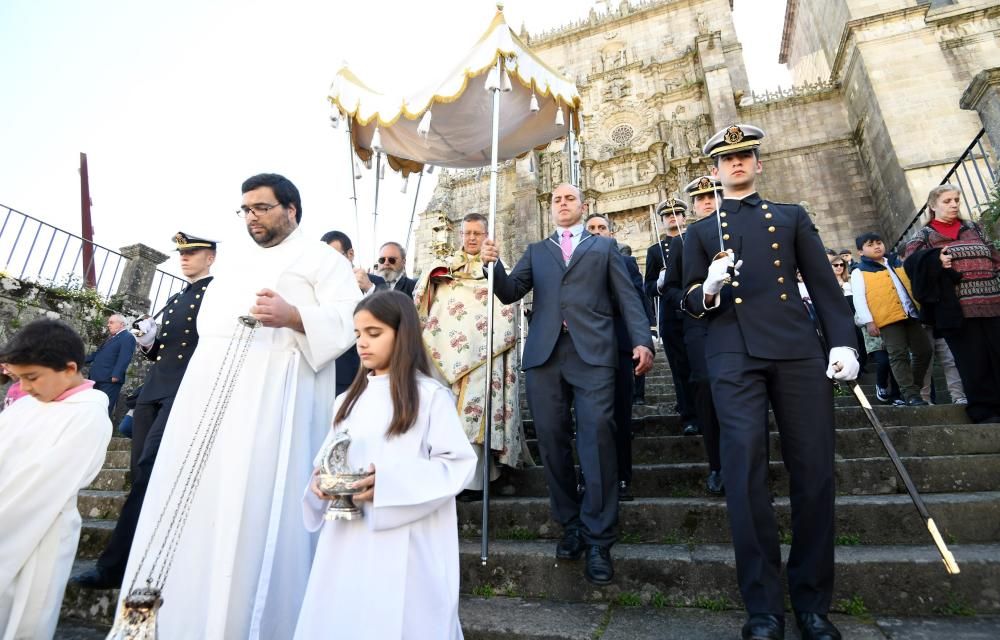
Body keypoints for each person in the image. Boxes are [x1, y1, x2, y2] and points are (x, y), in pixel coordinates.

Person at [115, 173, 360, 638]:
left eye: (262, 207)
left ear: (291, 209)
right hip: (210, 393)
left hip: (278, 390)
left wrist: (294, 316)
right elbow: (210, 329)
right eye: (246, 209)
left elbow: (350, 317)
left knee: (257, 500)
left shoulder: (323, 260)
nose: (252, 217)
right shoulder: (232, 263)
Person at [682, 124, 858, 640]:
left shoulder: (790, 217)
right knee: (744, 473)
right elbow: (686, 301)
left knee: (815, 472)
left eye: (745, 156)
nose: (736, 164)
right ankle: (762, 607)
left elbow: (825, 287)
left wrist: (843, 341)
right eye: (727, 159)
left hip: (798, 351)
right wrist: (709, 289)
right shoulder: (699, 232)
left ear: (758, 163)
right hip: (733, 353)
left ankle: (812, 603)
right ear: (714, 171)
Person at [480, 183, 654, 586]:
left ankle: (599, 538)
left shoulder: (603, 247)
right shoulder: (537, 251)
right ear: (551, 207)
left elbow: (628, 298)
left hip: (594, 354)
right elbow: (509, 292)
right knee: (553, 442)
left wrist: (643, 339)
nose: (562, 203)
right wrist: (493, 264)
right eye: (556, 198)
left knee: (596, 439)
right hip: (545, 357)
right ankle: (570, 524)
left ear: (583, 205)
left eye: (569, 198)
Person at [293, 291, 475, 639]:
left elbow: (457, 464)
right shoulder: (346, 401)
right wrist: (319, 484)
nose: (362, 343)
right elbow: (328, 457)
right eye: (358, 334)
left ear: (402, 333)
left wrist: (389, 484)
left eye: (374, 333)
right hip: (346, 539)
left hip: (408, 539)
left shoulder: (430, 396)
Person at [73, 232, 217, 590]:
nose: (185, 258)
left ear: (211, 257)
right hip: (154, 389)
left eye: (194, 252)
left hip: (183, 390)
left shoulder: (216, 294)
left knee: (151, 471)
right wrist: (147, 341)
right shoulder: (177, 295)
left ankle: (116, 567)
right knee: (141, 474)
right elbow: (160, 352)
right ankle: (124, 561)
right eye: (182, 253)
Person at [0, 319, 111, 639]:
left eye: (32, 377)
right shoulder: (26, 406)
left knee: (25, 618)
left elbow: (40, 486)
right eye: (20, 379)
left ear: (69, 368)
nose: (26, 387)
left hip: (41, 531)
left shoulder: (88, 415)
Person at [413, 213, 531, 503]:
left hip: (483, 355)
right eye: (467, 233)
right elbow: (421, 301)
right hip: (443, 357)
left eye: (478, 233)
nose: (472, 238)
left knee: (474, 417)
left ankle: (474, 482)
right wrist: (431, 280)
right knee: (445, 417)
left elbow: (507, 305)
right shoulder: (444, 269)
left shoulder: (497, 269)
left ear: (487, 235)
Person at [904, 184, 1000, 423]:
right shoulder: (924, 236)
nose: (954, 204)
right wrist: (936, 261)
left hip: (993, 303)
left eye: (956, 199)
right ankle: (983, 411)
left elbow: (995, 257)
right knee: (972, 361)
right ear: (933, 206)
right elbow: (911, 265)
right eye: (947, 201)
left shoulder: (974, 228)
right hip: (957, 311)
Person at [662, 175, 726, 495]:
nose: (706, 201)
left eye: (712, 195)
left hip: (740, 324)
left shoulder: (737, 232)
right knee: (706, 388)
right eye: (700, 198)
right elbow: (672, 288)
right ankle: (717, 465)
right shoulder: (681, 242)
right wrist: (694, 298)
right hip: (700, 324)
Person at [584, 213, 651, 501]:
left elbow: (636, 301)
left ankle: (622, 477)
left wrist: (642, 341)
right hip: (583, 350)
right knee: (587, 419)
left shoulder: (625, 262)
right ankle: (588, 477)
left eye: (602, 228)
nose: (597, 232)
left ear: (611, 234)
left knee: (620, 415)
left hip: (619, 347)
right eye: (591, 229)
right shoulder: (571, 264)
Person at [851, 232, 931, 406]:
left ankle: (913, 389)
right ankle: (911, 395)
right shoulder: (859, 271)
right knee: (898, 355)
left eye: (879, 242)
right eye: (870, 244)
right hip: (886, 319)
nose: (877, 246)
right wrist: (869, 321)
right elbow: (859, 298)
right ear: (861, 252)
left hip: (910, 314)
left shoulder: (895, 263)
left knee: (924, 351)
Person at [644, 199, 699, 435]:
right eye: (668, 215)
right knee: (679, 367)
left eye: (678, 213)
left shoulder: (695, 240)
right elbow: (647, 287)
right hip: (670, 313)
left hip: (696, 311)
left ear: (685, 217)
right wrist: (659, 282)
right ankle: (688, 415)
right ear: (662, 220)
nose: (673, 218)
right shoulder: (655, 250)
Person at [323, 230, 385, 396]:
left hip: (362, 372)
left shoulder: (375, 283)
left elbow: (389, 315)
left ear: (350, 254)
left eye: (334, 256)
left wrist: (369, 288)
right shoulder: (318, 285)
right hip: (325, 370)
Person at [85, 313, 136, 415]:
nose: (108, 325)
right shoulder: (111, 338)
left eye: (111, 322)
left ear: (121, 324)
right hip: (96, 378)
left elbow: (125, 357)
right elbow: (97, 354)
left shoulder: (128, 337)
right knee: (91, 408)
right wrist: (78, 360)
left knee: (103, 409)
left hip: (109, 380)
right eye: (108, 322)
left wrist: (116, 375)